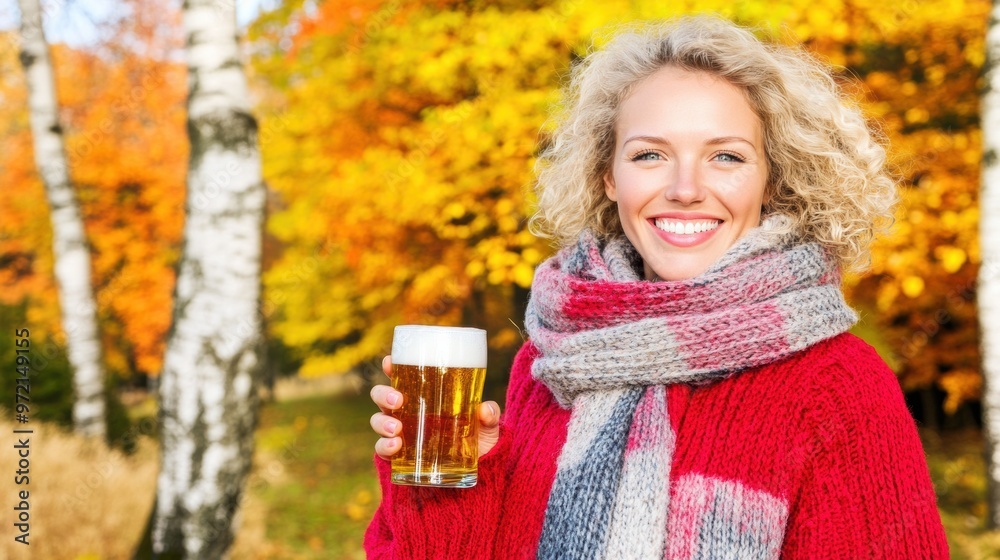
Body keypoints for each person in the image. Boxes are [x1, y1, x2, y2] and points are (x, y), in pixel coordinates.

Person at [365, 15, 949, 559]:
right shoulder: (547, 362)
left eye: (725, 156)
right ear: (608, 177)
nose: (686, 188)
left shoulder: (839, 386)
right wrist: (460, 478)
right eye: (649, 155)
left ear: (772, 180)